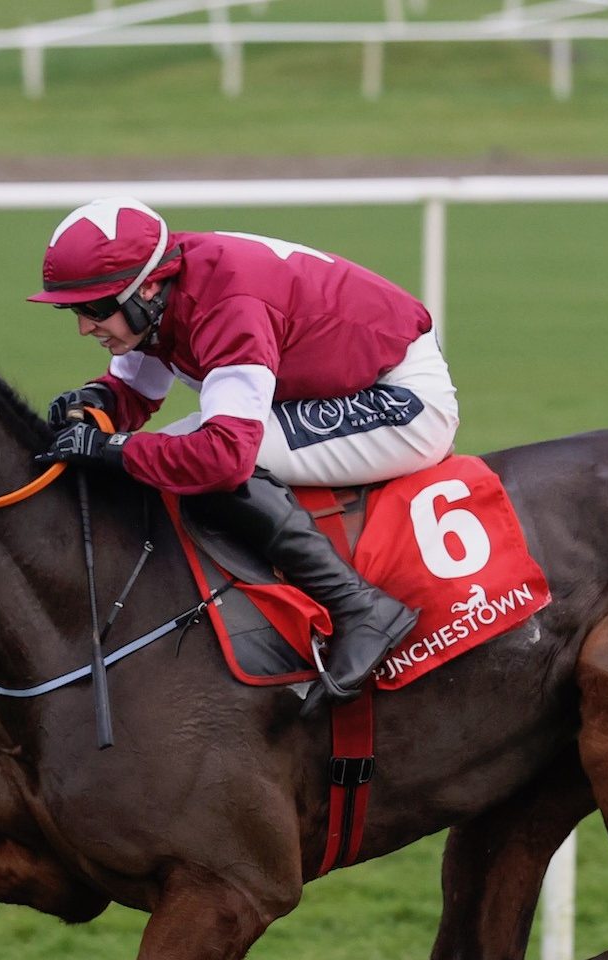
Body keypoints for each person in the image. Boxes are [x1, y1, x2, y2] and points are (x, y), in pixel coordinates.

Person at [30, 196, 460, 710]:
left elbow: (224, 458)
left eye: (96, 309)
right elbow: (137, 390)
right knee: (169, 448)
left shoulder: (226, 303)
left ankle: (359, 607)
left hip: (403, 401)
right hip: (338, 385)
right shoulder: (163, 290)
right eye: (74, 310)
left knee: (197, 455)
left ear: (146, 286)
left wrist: (111, 449)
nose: (84, 326)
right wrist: (96, 406)